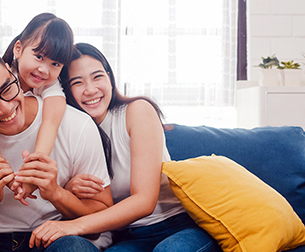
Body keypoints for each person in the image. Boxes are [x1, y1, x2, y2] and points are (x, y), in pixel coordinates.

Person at [28, 43, 220, 252]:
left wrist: (72, 226)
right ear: (66, 91)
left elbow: (144, 201)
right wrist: (70, 190)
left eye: (97, 76)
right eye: (77, 82)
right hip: (127, 236)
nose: (90, 89)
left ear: (110, 79)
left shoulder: (137, 111)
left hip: (176, 225)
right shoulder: (73, 133)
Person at [0, 38, 113, 252]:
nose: (6, 108)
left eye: (7, 88)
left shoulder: (76, 125)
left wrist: (55, 192)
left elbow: (101, 218)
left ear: (11, 71)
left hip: (54, 237)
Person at [0, 13, 71, 205]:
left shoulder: (51, 87)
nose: (44, 69)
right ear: (18, 49)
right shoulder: (3, 76)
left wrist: (34, 170)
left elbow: (51, 122)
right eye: (39, 56)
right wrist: (4, 175)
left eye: (55, 64)